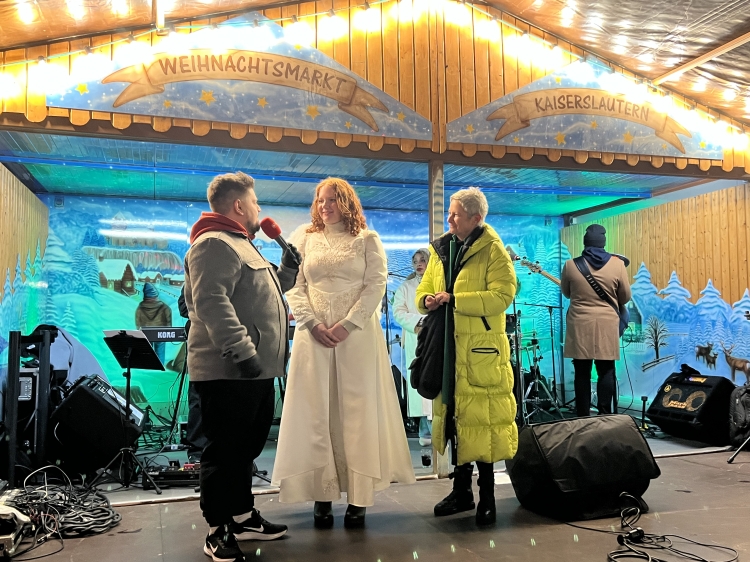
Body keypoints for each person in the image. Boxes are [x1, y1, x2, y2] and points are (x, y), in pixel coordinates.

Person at [272, 177, 415, 530]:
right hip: (313, 336)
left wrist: (347, 325)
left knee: (356, 411)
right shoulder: (303, 237)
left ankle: (358, 496)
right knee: (317, 410)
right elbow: (293, 285)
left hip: (356, 338)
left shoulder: (367, 239)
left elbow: (376, 285)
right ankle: (322, 493)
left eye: (333, 199)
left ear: (347, 202)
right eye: (321, 200)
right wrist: (311, 323)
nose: (325, 205)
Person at [184, 171, 300, 562]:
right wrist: (243, 352)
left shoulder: (242, 245)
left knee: (244, 449)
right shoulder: (213, 244)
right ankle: (217, 529)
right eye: (255, 203)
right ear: (239, 206)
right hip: (228, 371)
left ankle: (243, 516)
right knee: (223, 451)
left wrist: (287, 271)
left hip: (254, 370)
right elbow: (212, 304)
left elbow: (260, 299)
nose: (259, 209)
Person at [415, 187, 517, 526]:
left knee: (482, 423)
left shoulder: (494, 252)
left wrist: (455, 298)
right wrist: (427, 300)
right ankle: (462, 492)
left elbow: (502, 296)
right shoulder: (442, 250)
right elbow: (424, 287)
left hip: (481, 352)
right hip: (448, 346)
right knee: (456, 419)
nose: (449, 219)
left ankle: (487, 497)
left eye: (455, 214)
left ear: (476, 218)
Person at [560, 224, 631, 417]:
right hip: (606, 325)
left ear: (585, 243)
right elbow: (624, 297)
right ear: (603, 243)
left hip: (580, 324)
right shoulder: (617, 265)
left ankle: (582, 415)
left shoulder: (570, 265)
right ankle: (605, 414)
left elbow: (567, 293)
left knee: (582, 371)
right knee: (606, 369)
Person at [393, 248, 432, 446]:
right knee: (419, 381)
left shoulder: (438, 284)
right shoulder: (406, 287)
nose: (419, 263)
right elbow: (398, 311)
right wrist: (420, 321)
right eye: (416, 260)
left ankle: (440, 427)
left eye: (423, 260)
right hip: (416, 338)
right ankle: (424, 427)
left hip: (436, 338)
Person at [135, 282, 172, 364]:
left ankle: (149, 369)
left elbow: (138, 324)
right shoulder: (165, 307)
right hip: (161, 334)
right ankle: (159, 369)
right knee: (160, 354)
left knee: (148, 355)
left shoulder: (140, 308)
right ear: (155, 295)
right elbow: (169, 324)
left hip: (146, 334)